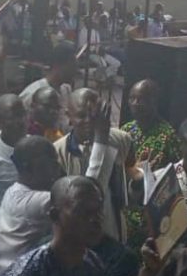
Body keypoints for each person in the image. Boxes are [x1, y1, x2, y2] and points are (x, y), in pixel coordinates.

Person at [55, 88, 133, 246]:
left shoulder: (121, 139)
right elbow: (85, 195)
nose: (89, 121)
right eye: (81, 115)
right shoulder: (58, 152)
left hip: (113, 232)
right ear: (69, 117)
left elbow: (131, 176)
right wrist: (100, 139)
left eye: (94, 115)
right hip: (79, 240)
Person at [0, 135, 63, 276]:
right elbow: (82, 198)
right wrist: (100, 142)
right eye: (51, 163)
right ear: (28, 169)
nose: (57, 168)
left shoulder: (12, 191)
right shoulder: (38, 201)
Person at [19, 40, 80, 132]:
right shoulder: (32, 93)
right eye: (72, 67)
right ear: (58, 66)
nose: (75, 71)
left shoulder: (66, 89)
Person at [121, 79, 180, 170]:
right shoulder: (125, 130)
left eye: (141, 99)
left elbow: (177, 169)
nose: (135, 103)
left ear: (154, 101)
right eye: (132, 98)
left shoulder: (168, 135)